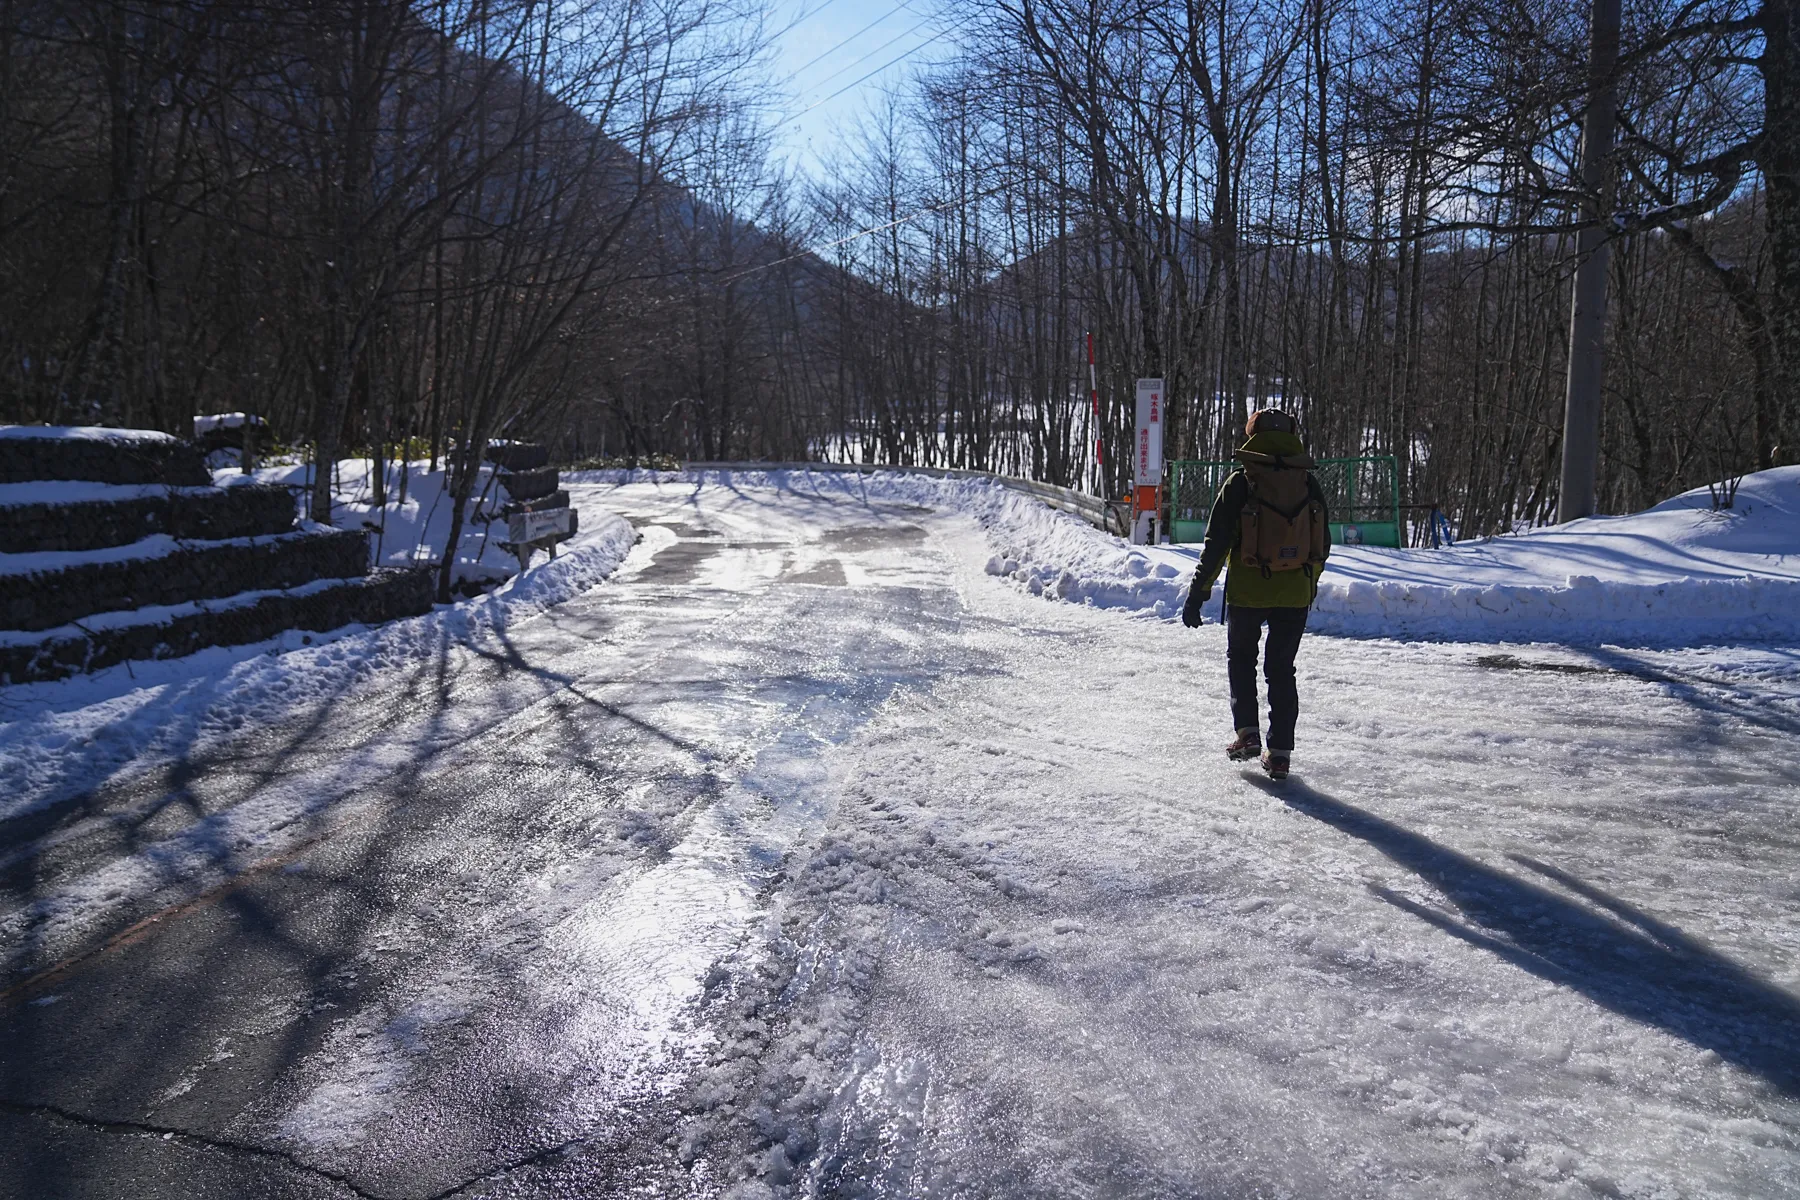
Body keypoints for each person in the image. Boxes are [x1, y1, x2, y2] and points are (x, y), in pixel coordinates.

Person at [1181, 410, 1330, 780]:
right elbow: (1322, 543)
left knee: (1242, 658)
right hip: (1294, 593)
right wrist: (1307, 584)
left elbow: (1216, 546)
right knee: (1282, 670)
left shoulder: (1240, 483)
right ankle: (1279, 753)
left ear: (1251, 435)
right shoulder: (1308, 483)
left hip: (1248, 591)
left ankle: (1247, 734)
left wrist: (1199, 593)